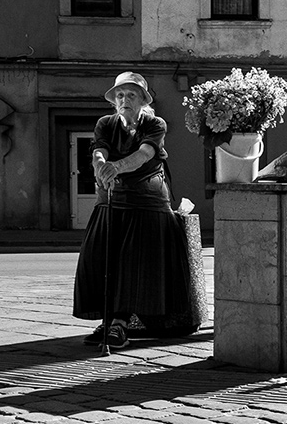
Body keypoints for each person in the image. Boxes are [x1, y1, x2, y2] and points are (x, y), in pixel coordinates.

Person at [72, 71, 196, 349]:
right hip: (111, 199)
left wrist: (116, 167)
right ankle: (108, 320)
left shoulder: (155, 123)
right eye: (119, 95)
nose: (124, 99)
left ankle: (120, 324)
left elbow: (144, 154)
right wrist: (101, 165)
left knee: (133, 265)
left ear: (142, 100)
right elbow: (98, 151)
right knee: (100, 260)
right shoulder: (105, 123)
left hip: (146, 201)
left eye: (131, 95)